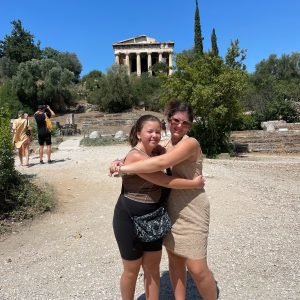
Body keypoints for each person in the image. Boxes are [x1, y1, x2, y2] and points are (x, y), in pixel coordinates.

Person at [111, 100, 217, 300]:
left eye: (185, 123)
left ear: (190, 126)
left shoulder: (190, 143)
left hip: (192, 208)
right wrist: (119, 161)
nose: (179, 126)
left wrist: (122, 169)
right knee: (175, 262)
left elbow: (161, 163)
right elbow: (141, 154)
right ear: (169, 120)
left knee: (196, 267)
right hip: (168, 208)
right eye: (176, 120)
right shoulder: (164, 144)